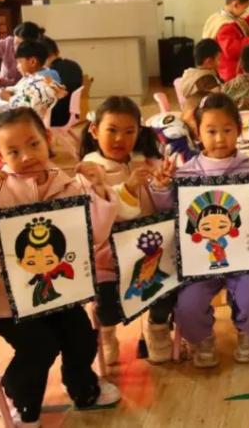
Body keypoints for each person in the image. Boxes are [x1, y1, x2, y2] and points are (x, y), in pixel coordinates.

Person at [0, 108, 120, 427]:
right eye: (13, 151)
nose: (27, 156)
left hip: (60, 291)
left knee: (81, 335)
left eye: (33, 144)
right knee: (39, 346)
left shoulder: (68, 183)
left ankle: (82, 386)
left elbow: (94, 235)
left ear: (47, 138)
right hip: (7, 300)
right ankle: (21, 398)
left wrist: (99, 188)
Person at [173, 94, 249, 368]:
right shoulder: (185, 174)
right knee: (187, 303)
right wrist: (160, 188)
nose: (220, 138)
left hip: (246, 258)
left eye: (227, 130)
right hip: (200, 262)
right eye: (211, 131)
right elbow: (171, 215)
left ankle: (248, 332)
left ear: (238, 129)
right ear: (198, 133)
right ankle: (201, 339)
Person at [78, 97, 175, 367]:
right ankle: (107, 334)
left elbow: (163, 209)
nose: (120, 138)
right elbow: (96, 218)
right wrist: (129, 189)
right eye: (111, 130)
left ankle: (157, 327)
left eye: (129, 131)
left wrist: (163, 186)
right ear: (95, 130)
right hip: (106, 257)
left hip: (149, 252)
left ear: (138, 132)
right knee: (105, 300)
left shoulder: (148, 162)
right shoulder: (88, 171)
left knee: (169, 284)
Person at [201, 0, 249, 82]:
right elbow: (231, 50)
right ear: (235, 4)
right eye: (244, 8)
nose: (245, 11)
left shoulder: (225, 17)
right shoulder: (225, 26)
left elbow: (242, 29)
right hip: (232, 74)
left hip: (233, 71)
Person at [0, 39, 65, 120]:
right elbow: (19, 88)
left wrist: (9, 98)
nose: (17, 66)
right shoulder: (33, 76)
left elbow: (28, 108)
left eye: (20, 62)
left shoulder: (43, 83)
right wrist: (9, 90)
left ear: (33, 62)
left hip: (32, 122)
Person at [40, 37, 83, 128]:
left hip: (54, 118)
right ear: (57, 51)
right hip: (71, 115)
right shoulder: (74, 65)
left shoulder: (48, 74)